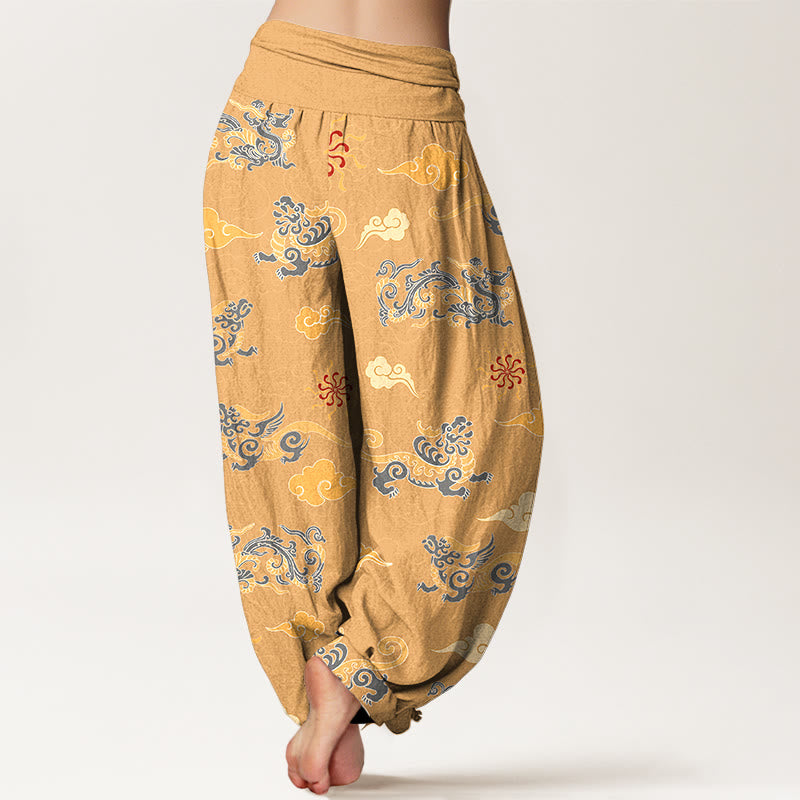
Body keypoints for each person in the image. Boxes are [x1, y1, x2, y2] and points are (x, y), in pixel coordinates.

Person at [202, 0, 544, 793]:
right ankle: (342, 674)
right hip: (380, 123)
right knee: (452, 419)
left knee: (294, 426)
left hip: (269, 119)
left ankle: (335, 679)